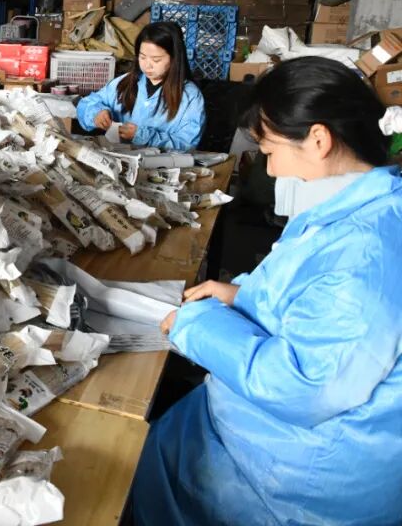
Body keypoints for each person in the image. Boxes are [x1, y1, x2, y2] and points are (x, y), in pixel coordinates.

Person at [134, 57, 402, 525]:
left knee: (147, 455)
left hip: (302, 476)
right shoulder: (369, 205)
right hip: (294, 431)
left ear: (317, 140)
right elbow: (306, 293)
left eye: (270, 150)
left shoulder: (364, 257)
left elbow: (302, 388)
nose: (272, 169)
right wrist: (241, 295)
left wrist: (196, 325)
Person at [76, 21, 205, 150]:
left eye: (156, 60)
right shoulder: (126, 82)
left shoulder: (190, 96)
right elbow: (87, 103)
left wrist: (144, 136)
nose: (147, 66)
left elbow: (187, 144)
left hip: (161, 161)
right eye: (142, 57)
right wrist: (96, 113)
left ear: (174, 58)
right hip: (120, 157)